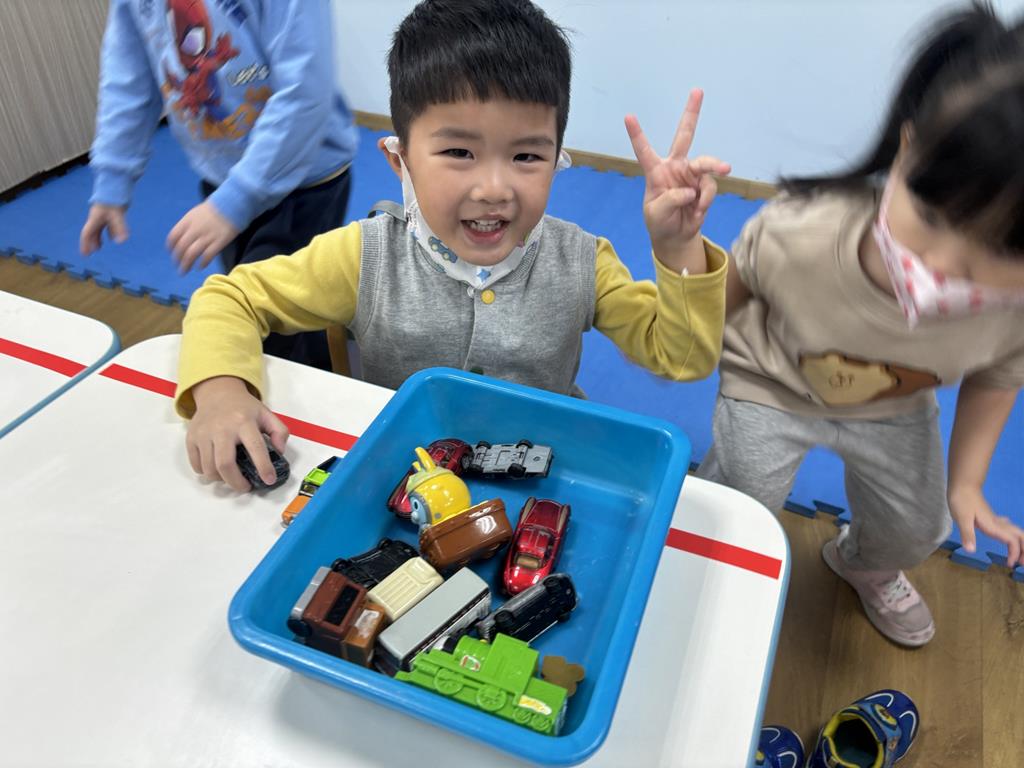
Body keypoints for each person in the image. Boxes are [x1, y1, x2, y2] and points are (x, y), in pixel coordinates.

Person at [173, 0, 731, 492]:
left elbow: (680, 358)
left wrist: (678, 247)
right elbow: (230, 297)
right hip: (405, 479)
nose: (494, 189)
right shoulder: (366, 257)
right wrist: (221, 392)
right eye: (459, 153)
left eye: (527, 156)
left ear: (558, 159)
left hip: (547, 476)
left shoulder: (583, 262)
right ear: (401, 161)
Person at [699, 2, 1024, 647]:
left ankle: (863, 564)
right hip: (771, 382)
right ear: (907, 148)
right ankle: (705, 557)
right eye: (932, 213)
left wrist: (967, 483)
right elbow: (726, 292)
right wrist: (687, 340)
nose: (943, 264)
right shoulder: (803, 231)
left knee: (918, 527)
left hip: (893, 406)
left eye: (999, 249)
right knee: (738, 498)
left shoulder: (1011, 311)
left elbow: (997, 376)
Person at [80, 0, 358, 370]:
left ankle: (309, 391)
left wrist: (237, 200)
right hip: (224, 187)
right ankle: (322, 369)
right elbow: (128, 77)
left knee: (266, 325)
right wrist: (112, 179)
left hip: (303, 183)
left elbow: (305, 89)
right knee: (279, 316)